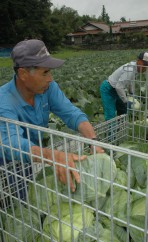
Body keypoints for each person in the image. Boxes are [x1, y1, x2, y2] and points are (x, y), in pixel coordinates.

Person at [0, 39, 104, 192]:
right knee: (16, 196)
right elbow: (11, 141)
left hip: (32, 153)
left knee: (29, 188)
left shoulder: (47, 88)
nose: (50, 78)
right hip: (7, 159)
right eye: (45, 72)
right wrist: (52, 156)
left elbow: (71, 113)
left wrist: (93, 141)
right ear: (23, 73)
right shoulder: (4, 100)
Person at [99, 52, 148, 121]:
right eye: (145, 65)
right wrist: (125, 101)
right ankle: (111, 131)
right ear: (139, 61)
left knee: (123, 110)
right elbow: (118, 87)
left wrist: (132, 93)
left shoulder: (134, 67)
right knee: (110, 115)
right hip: (108, 89)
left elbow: (130, 81)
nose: (145, 68)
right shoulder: (129, 69)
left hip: (116, 89)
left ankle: (120, 128)